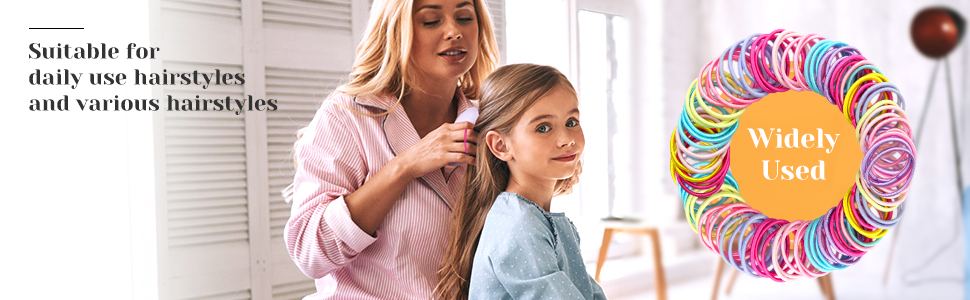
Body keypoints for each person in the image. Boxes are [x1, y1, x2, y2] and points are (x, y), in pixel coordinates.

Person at [283, 0, 499, 298]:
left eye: (464, 17)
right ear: (396, 31)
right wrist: (405, 166)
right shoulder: (347, 117)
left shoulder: (491, 124)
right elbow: (310, 253)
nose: (454, 31)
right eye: (431, 21)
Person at [435, 64, 607, 300]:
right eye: (543, 128)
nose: (566, 139)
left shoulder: (533, 217)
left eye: (571, 122)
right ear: (501, 146)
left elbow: (587, 291)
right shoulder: (519, 224)